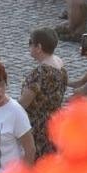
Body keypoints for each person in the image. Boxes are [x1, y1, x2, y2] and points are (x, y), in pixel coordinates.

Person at [19, 28, 67, 157]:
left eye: (30, 42)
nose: (29, 46)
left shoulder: (40, 73)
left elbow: (23, 103)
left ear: (39, 47)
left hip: (38, 126)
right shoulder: (59, 63)